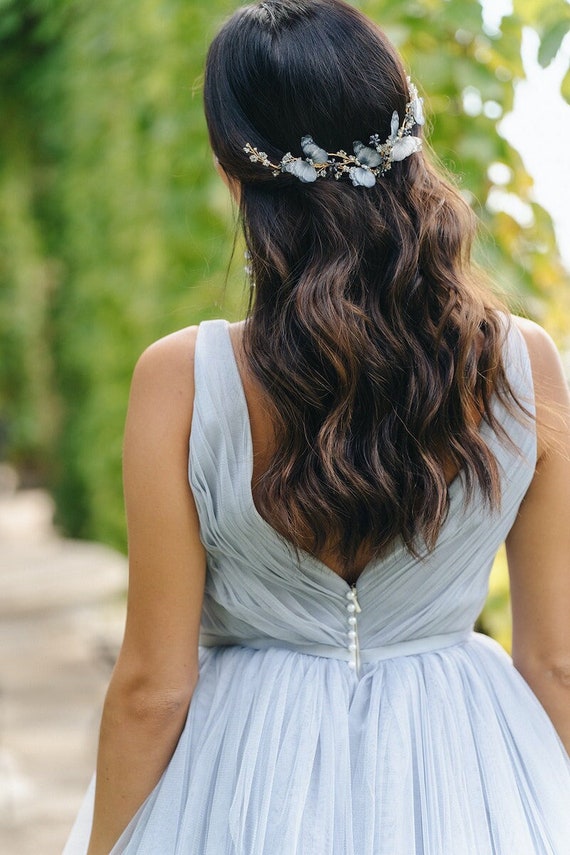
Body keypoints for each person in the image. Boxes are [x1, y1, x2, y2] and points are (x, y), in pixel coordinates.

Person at [63, 1, 570, 853]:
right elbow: (556, 662)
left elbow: (154, 687)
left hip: (241, 780)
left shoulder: (180, 381)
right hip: (466, 770)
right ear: (408, 138)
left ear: (233, 172)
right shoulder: (526, 366)